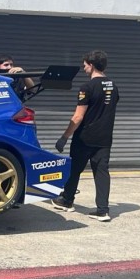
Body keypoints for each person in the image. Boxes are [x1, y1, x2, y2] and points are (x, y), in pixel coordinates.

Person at [51, 50, 119, 222]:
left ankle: (67, 200)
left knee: (74, 169)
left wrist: (64, 137)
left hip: (85, 137)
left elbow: (78, 116)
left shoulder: (87, 87)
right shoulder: (113, 85)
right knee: (102, 172)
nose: (83, 68)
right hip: (104, 138)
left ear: (92, 65)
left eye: (85, 64)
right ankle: (103, 210)